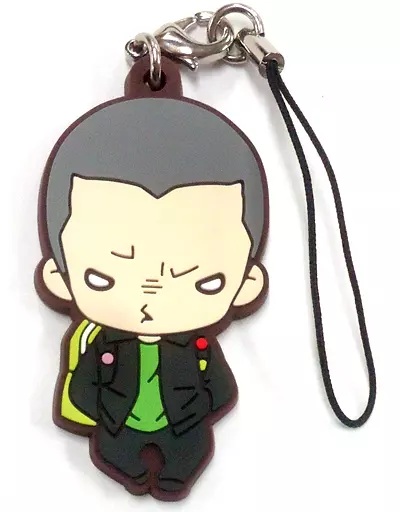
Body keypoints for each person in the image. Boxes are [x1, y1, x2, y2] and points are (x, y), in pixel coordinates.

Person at [36, 97, 269, 500]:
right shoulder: (103, 343)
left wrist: (200, 404)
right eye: (102, 278)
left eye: (203, 282)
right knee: (120, 456)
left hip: (185, 430)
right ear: (58, 277)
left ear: (247, 283)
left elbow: (221, 386)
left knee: (184, 459)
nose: (152, 292)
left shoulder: (198, 346)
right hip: (117, 429)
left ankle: (175, 474)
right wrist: (95, 408)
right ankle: (134, 466)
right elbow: (83, 385)